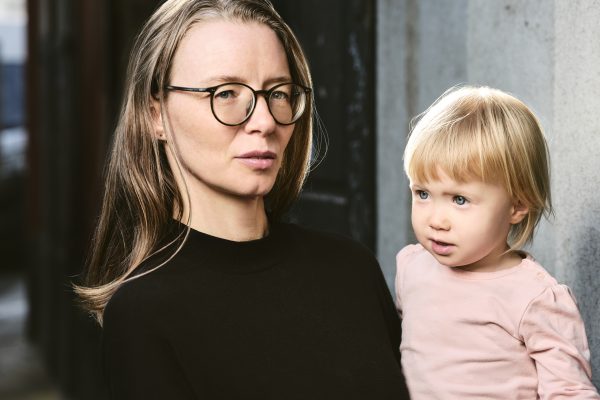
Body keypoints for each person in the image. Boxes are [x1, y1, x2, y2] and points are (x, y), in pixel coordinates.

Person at [75, 0, 410, 398]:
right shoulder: (143, 313)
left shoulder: (352, 268)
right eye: (226, 93)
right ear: (155, 114)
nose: (265, 121)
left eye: (279, 93)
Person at [395, 85, 600, 399]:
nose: (436, 219)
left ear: (516, 206)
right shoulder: (411, 267)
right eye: (423, 193)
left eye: (460, 200)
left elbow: (569, 391)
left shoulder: (535, 298)